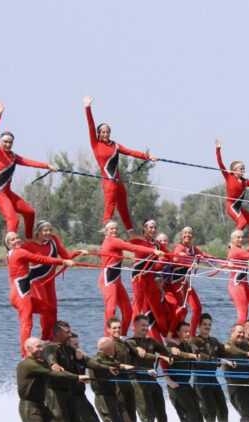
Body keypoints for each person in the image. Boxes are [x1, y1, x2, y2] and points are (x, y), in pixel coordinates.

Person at [83, 95, 157, 235]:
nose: (106, 134)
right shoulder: (96, 144)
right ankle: (108, 235)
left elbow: (131, 152)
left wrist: (148, 157)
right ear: (99, 134)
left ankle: (132, 235)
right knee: (109, 208)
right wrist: (88, 107)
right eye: (103, 132)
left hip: (119, 182)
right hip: (109, 182)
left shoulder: (115, 145)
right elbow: (91, 125)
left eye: (107, 132)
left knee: (124, 209)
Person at [17, 337, 89, 422]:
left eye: (41, 346)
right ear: (29, 349)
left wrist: (77, 356)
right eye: (38, 347)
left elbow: (53, 366)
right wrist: (77, 377)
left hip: (41, 406)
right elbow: (52, 373)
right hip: (29, 407)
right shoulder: (28, 364)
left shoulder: (39, 362)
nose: (41, 349)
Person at [0, 101, 57, 240]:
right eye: (5, 142)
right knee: (13, 220)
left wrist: (48, 166)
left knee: (29, 213)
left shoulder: (14, 157)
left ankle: (29, 241)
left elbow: (29, 162)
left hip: (8, 193)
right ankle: (11, 246)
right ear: (1, 142)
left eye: (10, 142)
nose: (8, 144)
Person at [5, 232, 75, 356]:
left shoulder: (11, 254)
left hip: (21, 293)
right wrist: (63, 261)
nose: (17, 240)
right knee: (27, 323)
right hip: (20, 294)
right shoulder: (18, 252)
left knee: (50, 310)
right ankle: (25, 354)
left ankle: (46, 340)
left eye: (17, 238)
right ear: (8, 245)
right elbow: (41, 259)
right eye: (13, 240)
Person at [22, 222, 86, 341]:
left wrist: (78, 252)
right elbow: (16, 255)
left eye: (50, 230)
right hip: (37, 282)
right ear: (38, 232)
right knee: (46, 311)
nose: (48, 233)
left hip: (50, 282)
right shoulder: (29, 245)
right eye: (45, 230)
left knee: (53, 311)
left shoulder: (54, 240)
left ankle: (53, 338)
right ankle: (45, 338)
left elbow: (66, 256)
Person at [98, 220, 161, 336]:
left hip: (117, 280)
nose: (115, 231)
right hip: (108, 279)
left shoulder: (114, 241)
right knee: (111, 308)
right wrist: (153, 251)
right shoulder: (112, 241)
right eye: (112, 229)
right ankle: (109, 336)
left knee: (128, 309)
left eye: (116, 228)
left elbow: (129, 245)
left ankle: (122, 336)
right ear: (106, 231)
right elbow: (133, 248)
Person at [125, 315, 174, 422]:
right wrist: (159, 357)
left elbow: (165, 350)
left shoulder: (151, 341)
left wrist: (173, 350)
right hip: (138, 382)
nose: (146, 328)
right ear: (135, 326)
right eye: (143, 325)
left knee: (162, 415)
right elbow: (139, 353)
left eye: (147, 325)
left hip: (152, 381)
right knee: (148, 416)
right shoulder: (129, 342)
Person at [89, 337, 136, 422]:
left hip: (114, 397)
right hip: (103, 399)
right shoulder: (95, 359)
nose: (114, 349)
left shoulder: (110, 358)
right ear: (105, 348)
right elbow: (98, 364)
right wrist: (117, 366)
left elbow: (116, 365)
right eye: (112, 347)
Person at [167, 227, 216, 337]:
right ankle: (174, 335)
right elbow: (178, 255)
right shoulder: (179, 246)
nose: (187, 235)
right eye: (185, 233)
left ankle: (192, 335)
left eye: (190, 233)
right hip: (175, 283)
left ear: (193, 236)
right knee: (183, 309)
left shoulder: (194, 249)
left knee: (197, 308)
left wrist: (219, 261)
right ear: (181, 236)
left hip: (185, 283)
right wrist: (190, 261)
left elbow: (204, 255)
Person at [188, 313, 233, 422]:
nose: (207, 327)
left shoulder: (214, 341)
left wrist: (235, 349)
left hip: (213, 378)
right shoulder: (193, 341)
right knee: (210, 411)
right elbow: (200, 355)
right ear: (199, 326)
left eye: (209, 324)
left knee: (223, 409)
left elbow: (226, 353)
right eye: (205, 324)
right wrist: (218, 360)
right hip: (200, 379)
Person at [129, 219, 170, 338]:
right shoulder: (139, 241)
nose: (153, 230)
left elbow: (169, 255)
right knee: (138, 303)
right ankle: (135, 332)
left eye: (154, 227)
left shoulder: (157, 244)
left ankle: (166, 335)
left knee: (157, 305)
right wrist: (154, 252)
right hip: (138, 277)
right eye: (150, 227)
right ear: (144, 229)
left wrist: (185, 259)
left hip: (149, 277)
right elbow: (127, 245)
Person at [67, 331, 105, 422]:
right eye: (75, 345)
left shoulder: (80, 358)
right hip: (71, 399)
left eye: (78, 344)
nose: (78, 347)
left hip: (81, 398)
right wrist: (78, 378)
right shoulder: (64, 360)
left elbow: (94, 364)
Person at [164, 321, 204, 422]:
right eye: (185, 332)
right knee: (189, 414)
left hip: (186, 384)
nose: (188, 334)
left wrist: (194, 347)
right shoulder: (172, 345)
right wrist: (167, 379)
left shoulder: (187, 346)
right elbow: (164, 362)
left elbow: (198, 357)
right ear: (178, 332)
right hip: (175, 385)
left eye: (189, 331)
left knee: (198, 413)